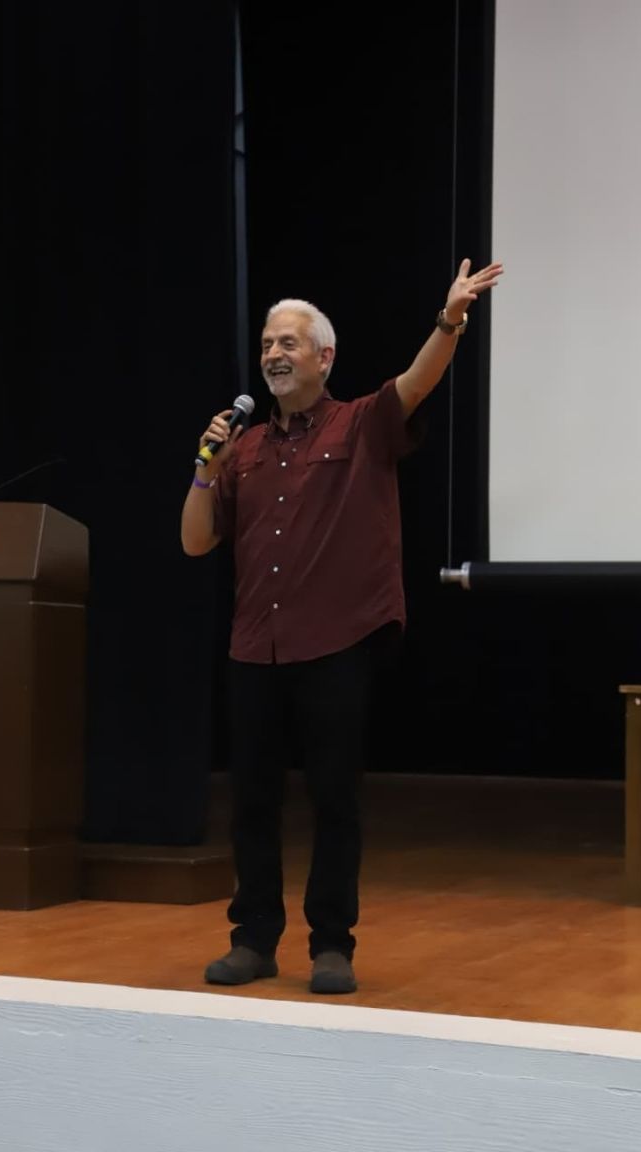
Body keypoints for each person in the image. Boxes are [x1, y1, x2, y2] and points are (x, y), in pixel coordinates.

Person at [181, 258, 503, 994]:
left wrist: (448, 317)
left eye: (289, 343)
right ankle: (253, 939)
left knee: (334, 798)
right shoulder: (247, 449)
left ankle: (332, 945)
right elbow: (196, 541)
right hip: (253, 647)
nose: (273, 354)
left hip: (334, 645)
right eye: (266, 343)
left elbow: (417, 382)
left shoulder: (360, 425)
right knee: (252, 801)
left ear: (324, 357)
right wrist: (205, 468)